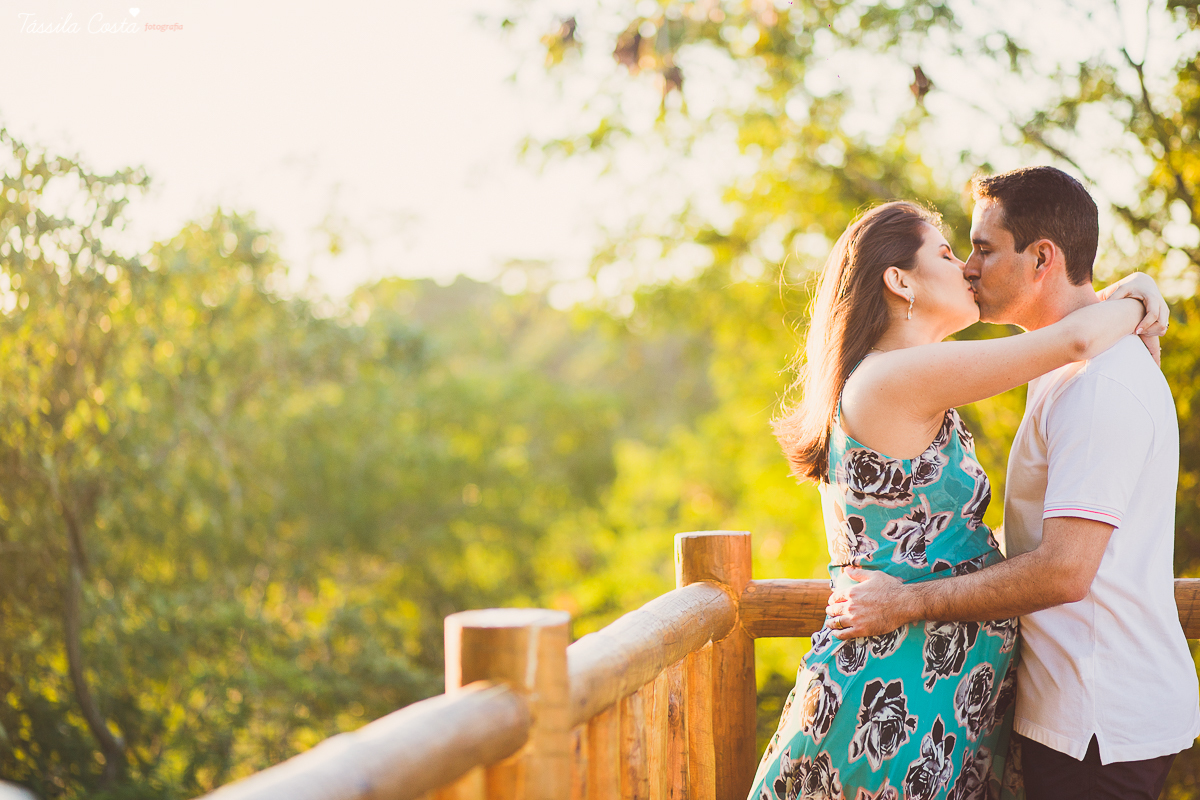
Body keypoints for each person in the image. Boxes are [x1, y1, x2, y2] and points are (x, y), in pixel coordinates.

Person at [751, 189, 1169, 800]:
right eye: (949, 253)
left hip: (933, 687)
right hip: (892, 693)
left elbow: (941, 541)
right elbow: (1073, 341)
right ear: (900, 280)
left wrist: (1125, 295)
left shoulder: (907, 372)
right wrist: (1137, 298)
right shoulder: (896, 375)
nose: (968, 267)